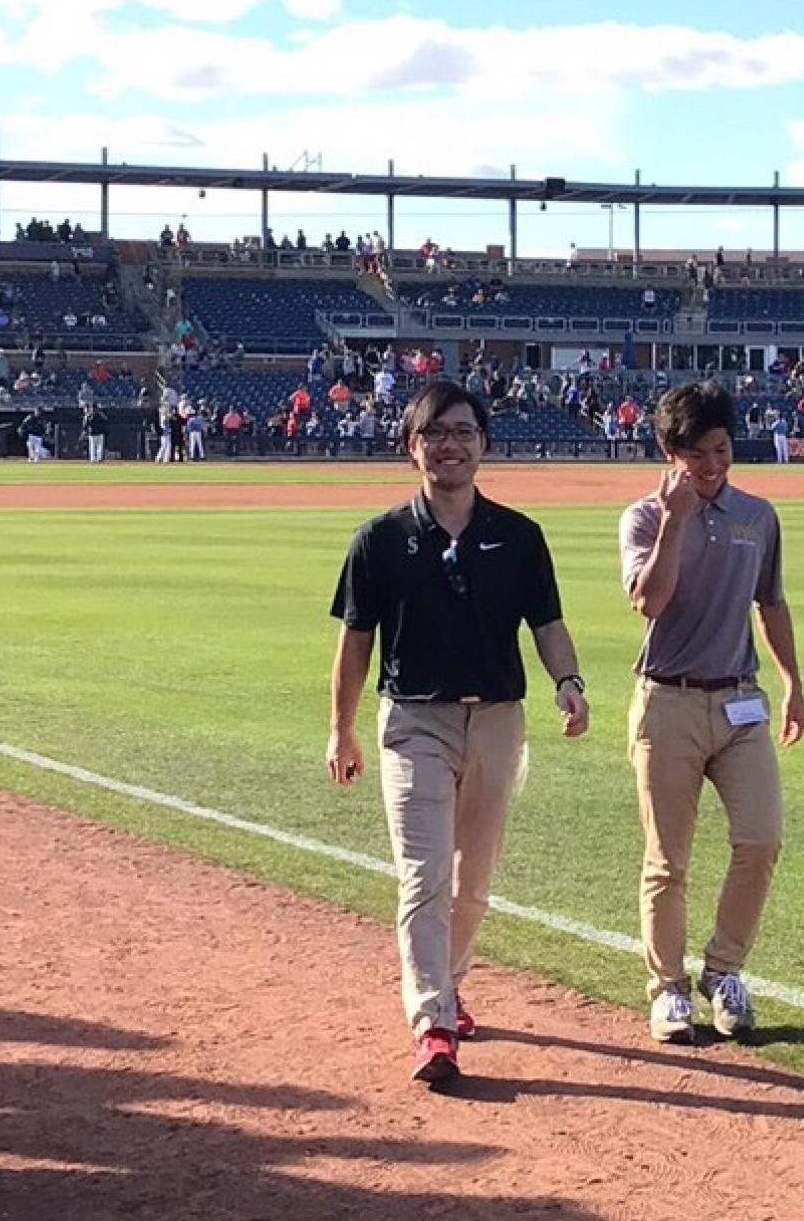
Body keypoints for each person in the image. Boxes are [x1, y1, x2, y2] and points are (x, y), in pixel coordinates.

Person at [327, 381, 590, 1084]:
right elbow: (355, 643)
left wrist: (569, 681)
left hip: (499, 719)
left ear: (483, 444)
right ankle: (433, 1022)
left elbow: (548, 625)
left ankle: (448, 978)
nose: (450, 444)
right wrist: (341, 729)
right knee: (424, 874)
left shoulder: (520, 536)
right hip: (414, 720)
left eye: (463, 431)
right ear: (412, 446)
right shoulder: (378, 540)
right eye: (435, 432)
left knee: (474, 881)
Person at [619, 382, 804, 1043]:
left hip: (739, 699)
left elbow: (771, 603)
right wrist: (674, 519)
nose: (713, 466)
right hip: (666, 699)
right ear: (670, 452)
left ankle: (724, 969)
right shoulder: (643, 518)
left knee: (761, 839)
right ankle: (668, 989)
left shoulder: (757, 515)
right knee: (667, 859)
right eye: (698, 454)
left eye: (722, 450)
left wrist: (793, 682)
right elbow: (651, 602)